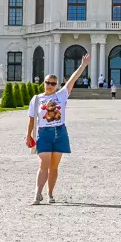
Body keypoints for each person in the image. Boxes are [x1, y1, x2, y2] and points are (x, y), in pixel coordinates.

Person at [26, 53, 90, 205]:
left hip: (60, 132)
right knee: (43, 164)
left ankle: (50, 193)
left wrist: (82, 65)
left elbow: (73, 79)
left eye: (53, 83)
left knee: (54, 167)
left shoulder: (61, 95)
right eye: (48, 82)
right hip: (44, 133)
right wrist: (28, 135)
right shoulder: (36, 99)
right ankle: (37, 194)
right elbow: (31, 119)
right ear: (44, 82)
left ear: (57, 85)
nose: (49, 85)